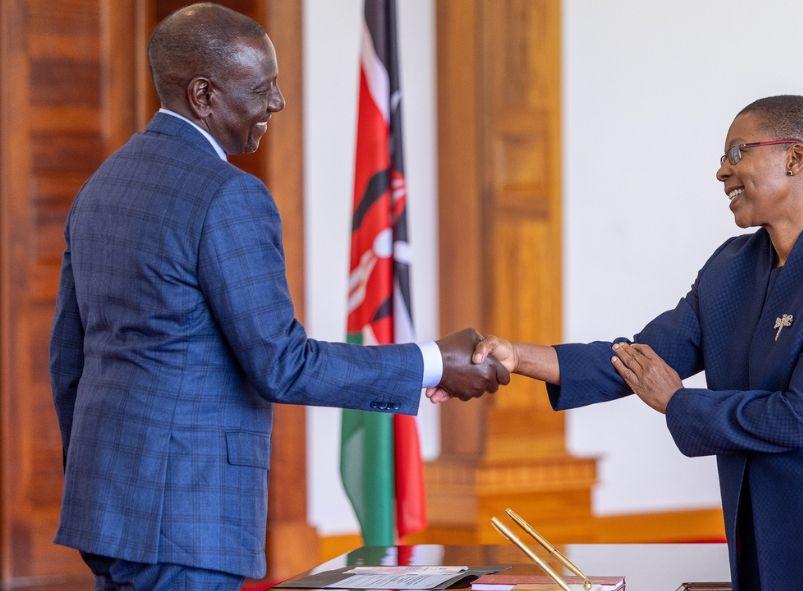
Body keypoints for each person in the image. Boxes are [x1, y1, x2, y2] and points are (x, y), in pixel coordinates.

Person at [48, 3, 506, 589]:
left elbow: (68, 360)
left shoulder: (102, 185)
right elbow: (281, 364)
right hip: (187, 520)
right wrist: (434, 362)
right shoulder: (228, 197)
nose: (277, 104)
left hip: (107, 509)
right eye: (262, 88)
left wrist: (98, 477)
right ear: (204, 95)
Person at [444, 96, 803, 590]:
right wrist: (517, 355)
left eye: (737, 153)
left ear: (795, 158)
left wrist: (678, 403)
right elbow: (640, 359)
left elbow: (802, 416)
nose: (721, 172)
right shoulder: (730, 269)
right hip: (769, 530)